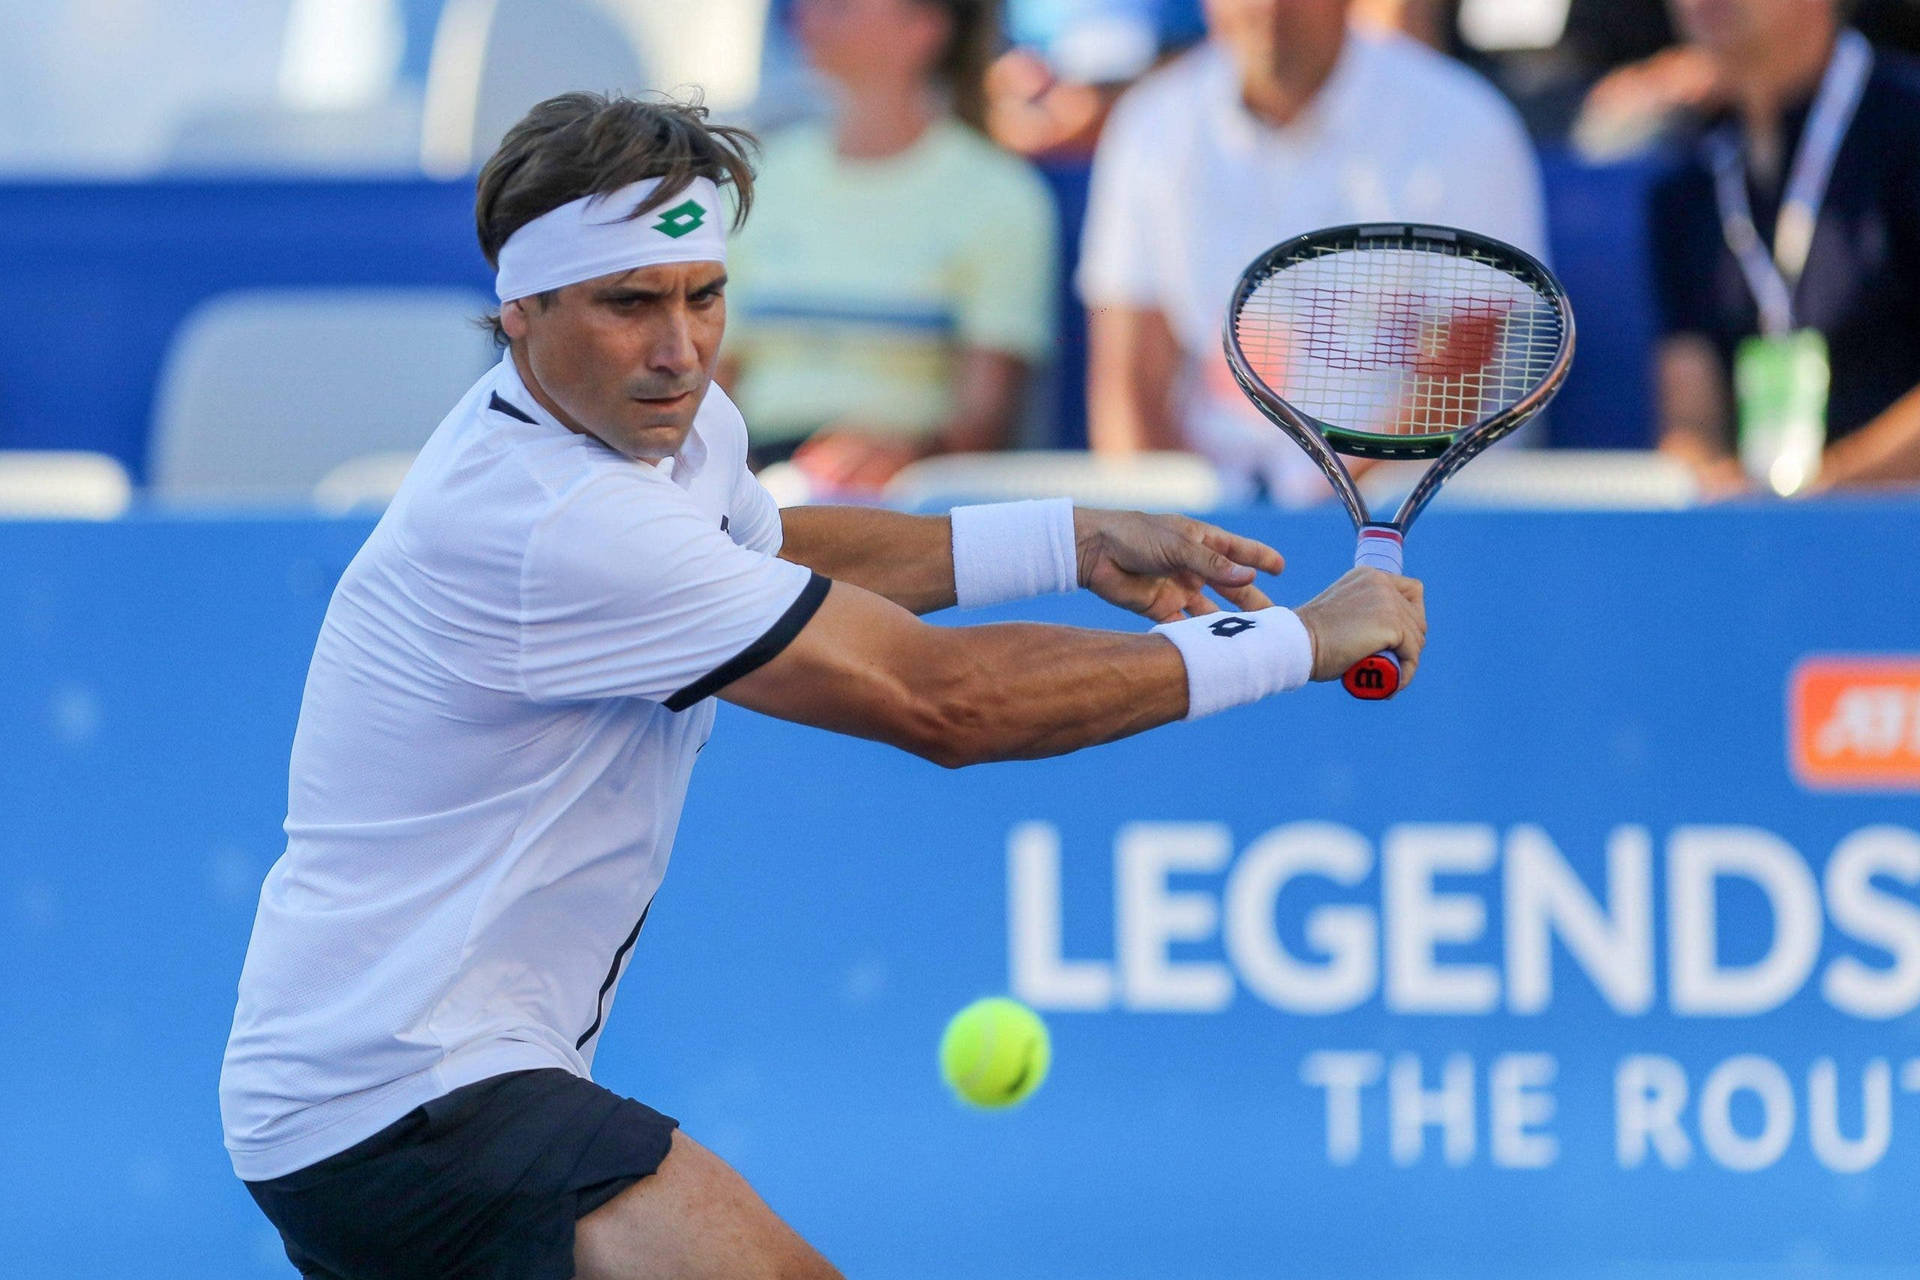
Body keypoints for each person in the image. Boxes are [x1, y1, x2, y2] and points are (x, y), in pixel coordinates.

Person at [218, 92, 1426, 1279]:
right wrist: (1299, 642)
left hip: (374, 1089)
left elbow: (770, 550)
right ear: (519, 310)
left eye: (704, 296)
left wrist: (1069, 540)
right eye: (627, 304)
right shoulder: (553, 520)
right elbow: (947, 704)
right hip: (408, 1098)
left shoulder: (661, 433)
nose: (678, 348)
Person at [1077, 0, 1548, 503]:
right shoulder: (1151, 123)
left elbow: (1458, 391)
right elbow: (1126, 383)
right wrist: (1183, 538)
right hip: (1215, 524)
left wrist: (1319, 519)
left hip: (1414, 519)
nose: (1269, 8)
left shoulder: (1464, 124)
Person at [721, 0, 1057, 494]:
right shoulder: (756, 181)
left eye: (840, 6)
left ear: (924, 26)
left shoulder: (1000, 196)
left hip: (907, 501)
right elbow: (711, 378)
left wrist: (902, 458)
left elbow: (987, 418)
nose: (807, 16)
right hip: (752, 487)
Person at [1649, 0, 1920, 493]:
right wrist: (1712, 481)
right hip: (1762, 544)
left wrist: (1826, 488)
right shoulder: (1686, 183)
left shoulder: (1907, 129)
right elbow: (1690, 415)